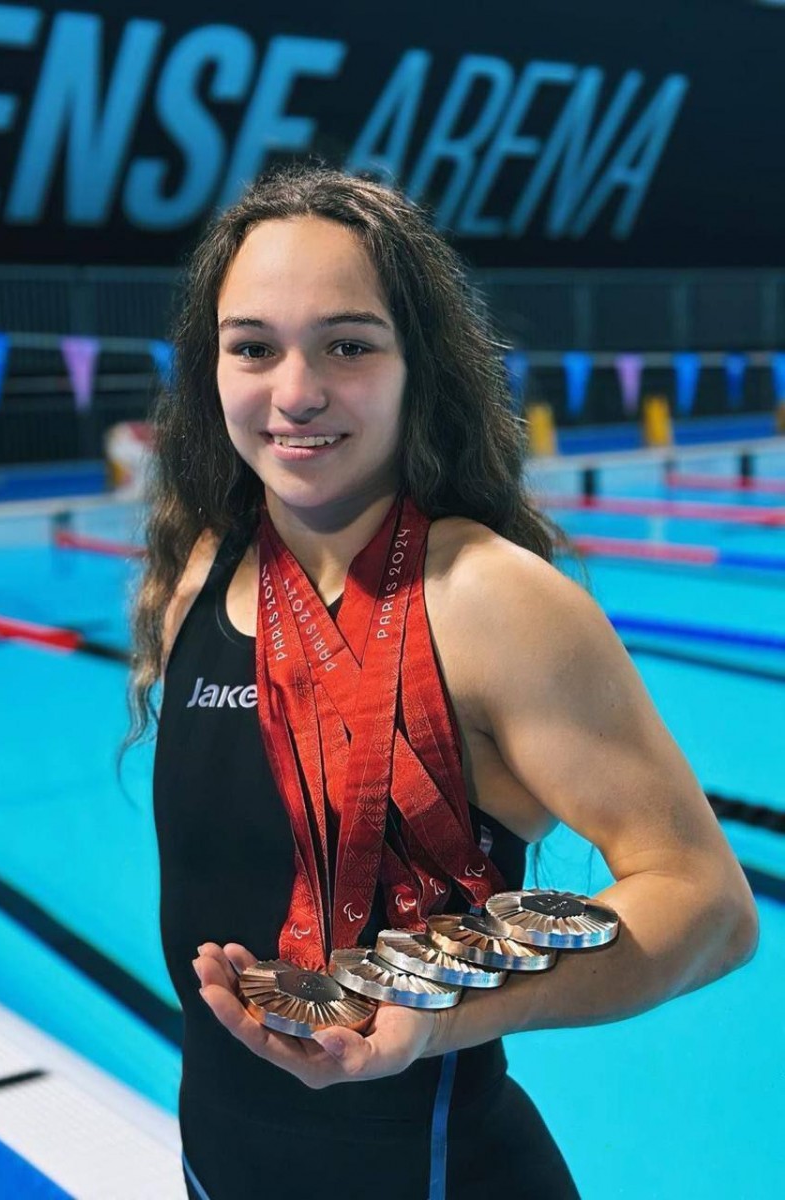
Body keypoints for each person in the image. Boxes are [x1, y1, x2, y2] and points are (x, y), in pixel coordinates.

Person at [124, 165, 758, 1199]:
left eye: (348, 345)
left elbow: (711, 905)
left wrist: (445, 1016)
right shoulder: (203, 573)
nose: (296, 391)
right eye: (254, 347)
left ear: (420, 363)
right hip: (216, 1168)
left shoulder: (491, 601)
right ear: (211, 368)